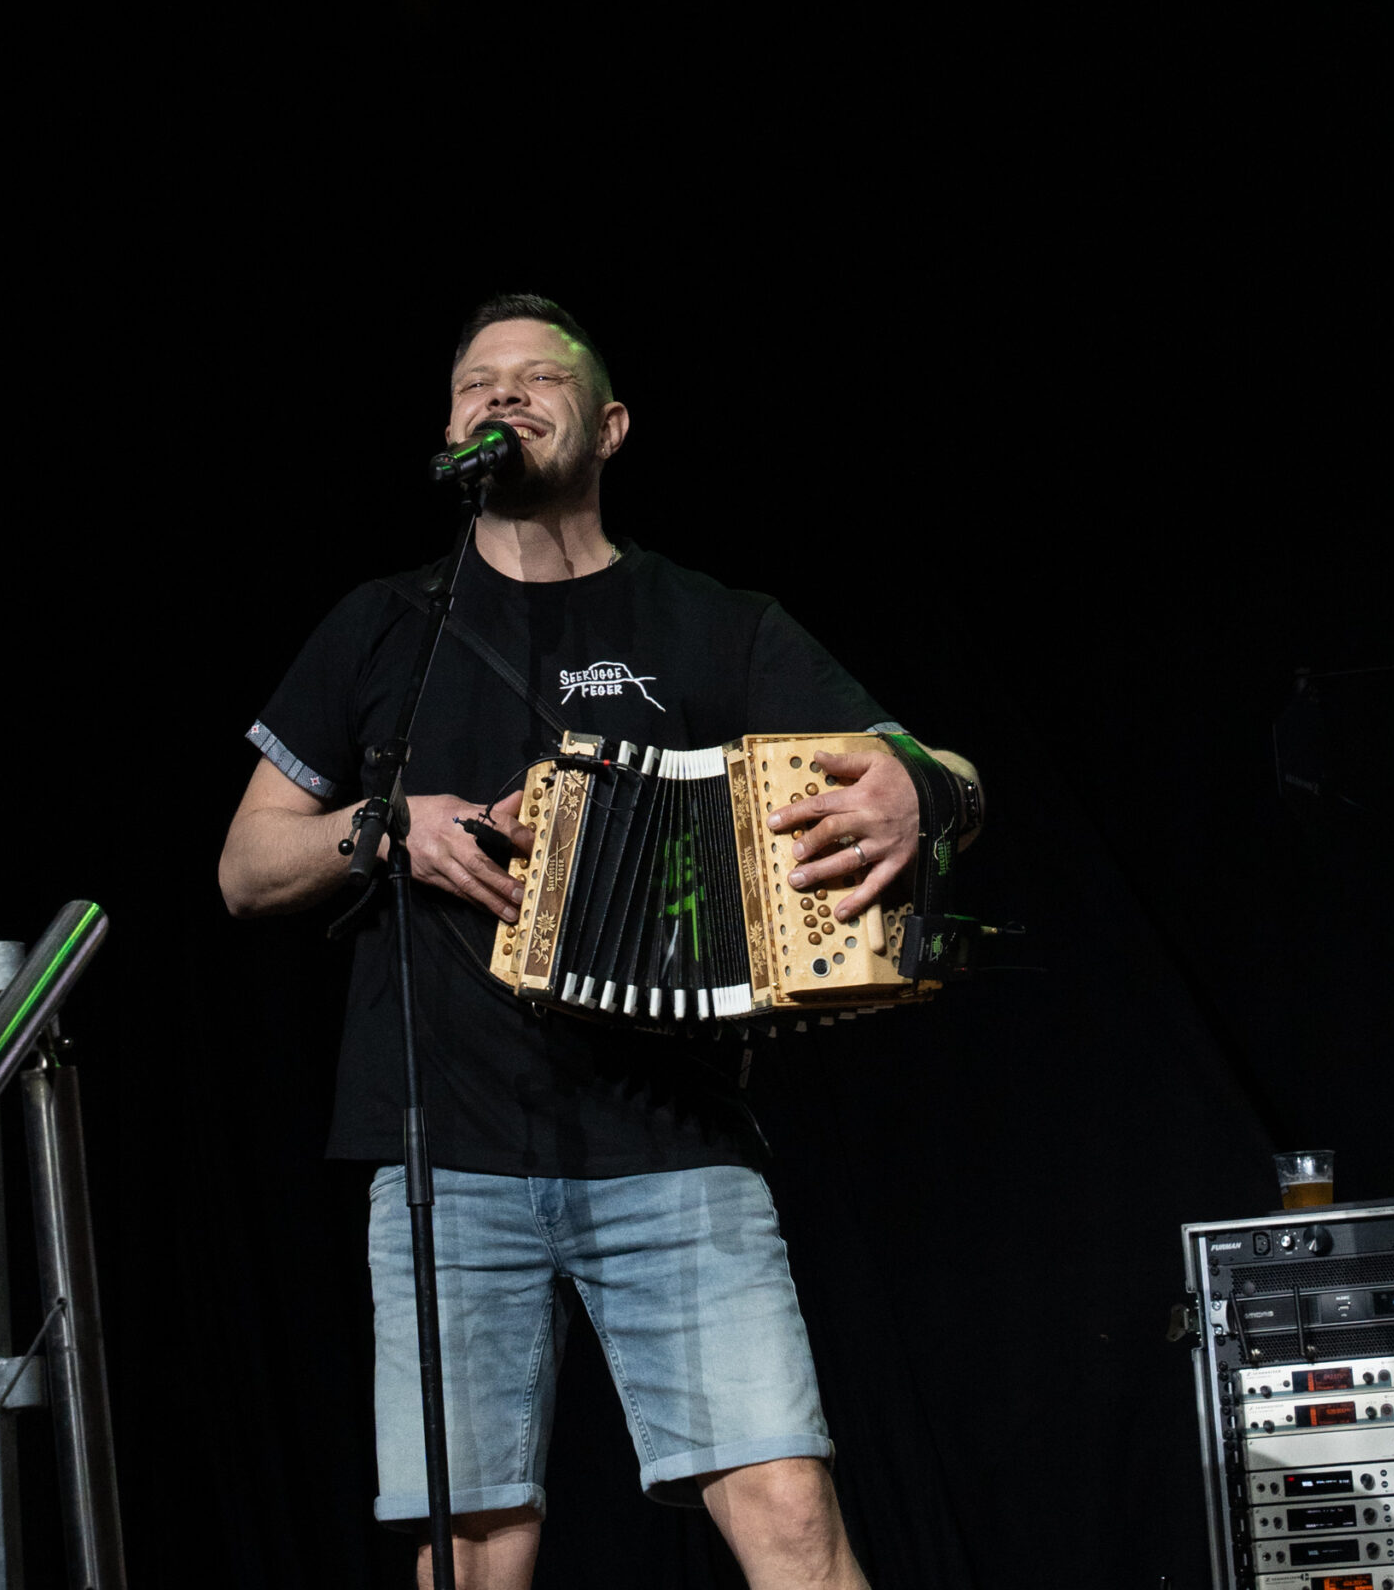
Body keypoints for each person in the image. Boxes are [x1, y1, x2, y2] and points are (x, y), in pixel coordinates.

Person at [219, 294, 981, 1590]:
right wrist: (387, 827)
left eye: (540, 378)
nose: (503, 396)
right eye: (477, 383)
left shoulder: (715, 624)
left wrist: (925, 787)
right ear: (448, 430)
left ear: (611, 426)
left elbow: (928, 763)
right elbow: (246, 867)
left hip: (671, 1134)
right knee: (472, 1549)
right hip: (447, 1147)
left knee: (790, 1514)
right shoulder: (384, 625)